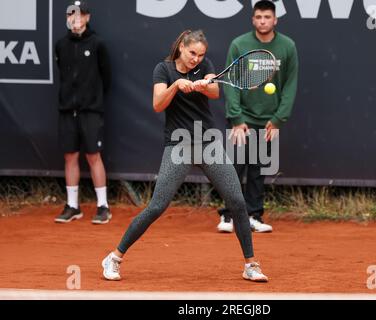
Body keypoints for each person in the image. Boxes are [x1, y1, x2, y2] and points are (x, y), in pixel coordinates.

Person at [101, 30, 269, 282]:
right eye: (192, 53)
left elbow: (214, 91)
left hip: (209, 143)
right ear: (181, 47)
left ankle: (250, 264)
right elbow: (158, 104)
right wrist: (176, 86)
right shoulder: (163, 69)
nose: (196, 59)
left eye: (201, 55)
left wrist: (204, 85)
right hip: (179, 145)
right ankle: (113, 257)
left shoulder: (205, 66)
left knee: (237, 200)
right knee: (157, 206)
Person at [217, 0, 299, 233]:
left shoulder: (288, 46)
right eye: (259, 17)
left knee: (258, 170)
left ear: (275, 20)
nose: (263, 21)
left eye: (267, 17)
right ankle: (228, 216)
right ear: (253, 20)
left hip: (269, 121)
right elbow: (231, 84)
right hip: (241, 120)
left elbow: (290, 85)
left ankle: (254, 215)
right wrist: (236, 118)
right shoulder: (239, 44)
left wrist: (278, 119)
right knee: (234, 168)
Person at [54, 1, 112, 224]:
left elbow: (106, 78)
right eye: (72, 15)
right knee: (70, 157)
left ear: (87, 18)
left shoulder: (98, 44)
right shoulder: (61, 45)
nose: (76, 19)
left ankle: (102, 206)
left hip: (91, 111)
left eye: (80, 15)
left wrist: (92, 99)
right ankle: (72, 206)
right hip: (67, 111)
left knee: (93, 156)